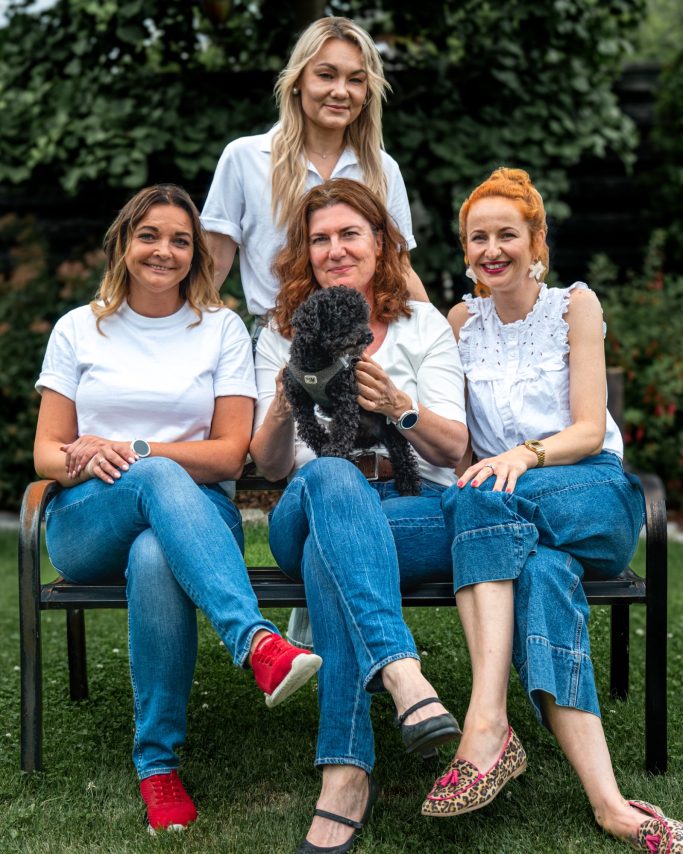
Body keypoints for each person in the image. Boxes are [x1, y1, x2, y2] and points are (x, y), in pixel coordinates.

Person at [33, 184, 322, 835]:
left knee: (154, 551)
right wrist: (86, 455)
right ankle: (256, 643)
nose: (163, 250)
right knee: (156, 478)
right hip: (89, 518)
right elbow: (46, 451)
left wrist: (135, 449)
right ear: (123, 244)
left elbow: (229, 456)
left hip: (197, 516)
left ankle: (157, 765)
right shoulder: (78, 327)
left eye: (180, 240)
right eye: (149, 235)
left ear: (196, 254)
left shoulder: (219, 329)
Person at [420, 167, 683, 853]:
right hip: (508, 515)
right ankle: (611, 805)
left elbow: (589, 429)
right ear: (464, 249)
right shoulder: (459, 324)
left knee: (481, 493)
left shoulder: (574, 306)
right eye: (478, 237)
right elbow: (461, 444)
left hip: (589, 493)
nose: (492, 249)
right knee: (539, 575)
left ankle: (485, 721)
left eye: (506, 234)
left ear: (535, 240)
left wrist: (523, 456)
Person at [249, 177, 468, 853]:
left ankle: (345, 772)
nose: (336, 249)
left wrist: (401, 406)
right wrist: (286, 397)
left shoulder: (422, 325)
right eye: (320, 239)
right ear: (305, 252)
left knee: (333, 555)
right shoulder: (283, 332)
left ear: (380, 242)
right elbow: (271, 465)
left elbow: (453, 450)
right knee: (331, 473)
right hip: (308, 503)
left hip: (410, 505)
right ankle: (403, 673)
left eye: (350, 234)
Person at [201, 14, 428, 319]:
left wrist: (437, 335)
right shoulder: (245, 158)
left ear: (367, 92)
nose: (341, 91)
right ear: (298, 81)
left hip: (367, 337)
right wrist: (186, 335)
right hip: (277, 337)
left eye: (356, 80)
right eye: (326, 75)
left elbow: (399, 270)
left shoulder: (382, 169)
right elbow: (212, 266)